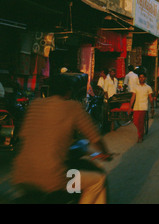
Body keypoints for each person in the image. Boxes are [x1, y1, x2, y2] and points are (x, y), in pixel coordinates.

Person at [12, 74, 111, 204]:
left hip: (21, 174)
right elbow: (95, 138)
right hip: (52, 178)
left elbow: (24, 136)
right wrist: (105, 153)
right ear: (69, 91)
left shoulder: (35, 104)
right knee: (98, 180)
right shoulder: (73, 107)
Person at [128, 72, 154, 143]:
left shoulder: (148, 87)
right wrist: (130, 107)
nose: (141, 78)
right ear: (138, 78)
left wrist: (152, 107)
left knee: (141, 122)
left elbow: (151, 98)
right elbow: (133, 97)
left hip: (143, 107)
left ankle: (140, 136)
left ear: (145, 78)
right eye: (140, 77)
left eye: (143, 77)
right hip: (136, 107)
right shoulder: (135, 87)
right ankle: (140, 133)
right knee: (135, 121)